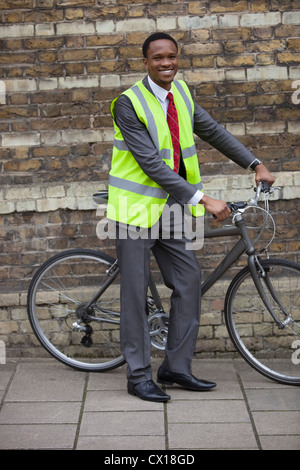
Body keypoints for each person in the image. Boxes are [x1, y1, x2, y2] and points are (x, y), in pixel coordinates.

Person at [107, 32, 275, 402]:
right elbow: (150, 162)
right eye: (158, 58)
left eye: (172, 57)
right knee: (134, 294)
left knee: (187, 282)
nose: (166, 63)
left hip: (171, 208)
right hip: (134, 211)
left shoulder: (180, 93)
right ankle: (138, 376)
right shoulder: (128, 103)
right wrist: (204, 199)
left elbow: (212, 130)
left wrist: (255, 163)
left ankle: (176, 367)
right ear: (145, 62)